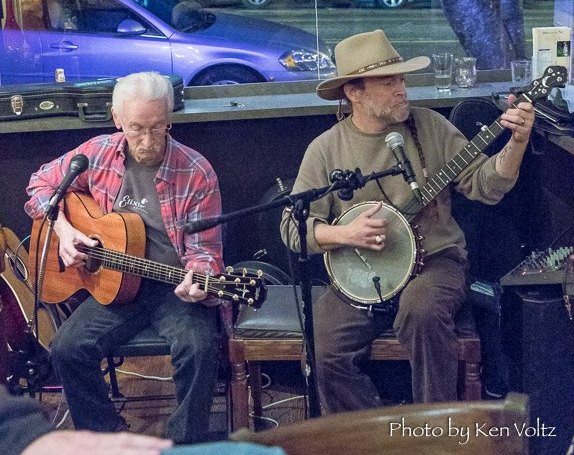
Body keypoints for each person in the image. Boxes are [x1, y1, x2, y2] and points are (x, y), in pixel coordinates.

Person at [280, 30, 534, 412]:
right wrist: (345, 233)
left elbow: (486, 186)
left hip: (436, 262)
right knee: (323, 345)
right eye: (389, 81)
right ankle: (372, 437)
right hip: (364, 275)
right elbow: (291, 227)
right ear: (354, 92)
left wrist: (515, 143)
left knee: (422, 312)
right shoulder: (327, 148)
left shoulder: (429, 126)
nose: (402, 89)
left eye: (402, 79)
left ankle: (431, 432)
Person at [24, 72, 224, 443]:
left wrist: (200, 278)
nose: (147, 140)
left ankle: (185, 445)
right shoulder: (97, 153)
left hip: (173, 286)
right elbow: (40, 184)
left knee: (198, 348)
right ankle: (106, 438)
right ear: (117, 120)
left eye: (156, 127)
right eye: (136, 128)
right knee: (66, 348)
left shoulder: (196, 172)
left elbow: (205, 252)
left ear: (169, 119)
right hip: (114, 285)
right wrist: (66, 231)